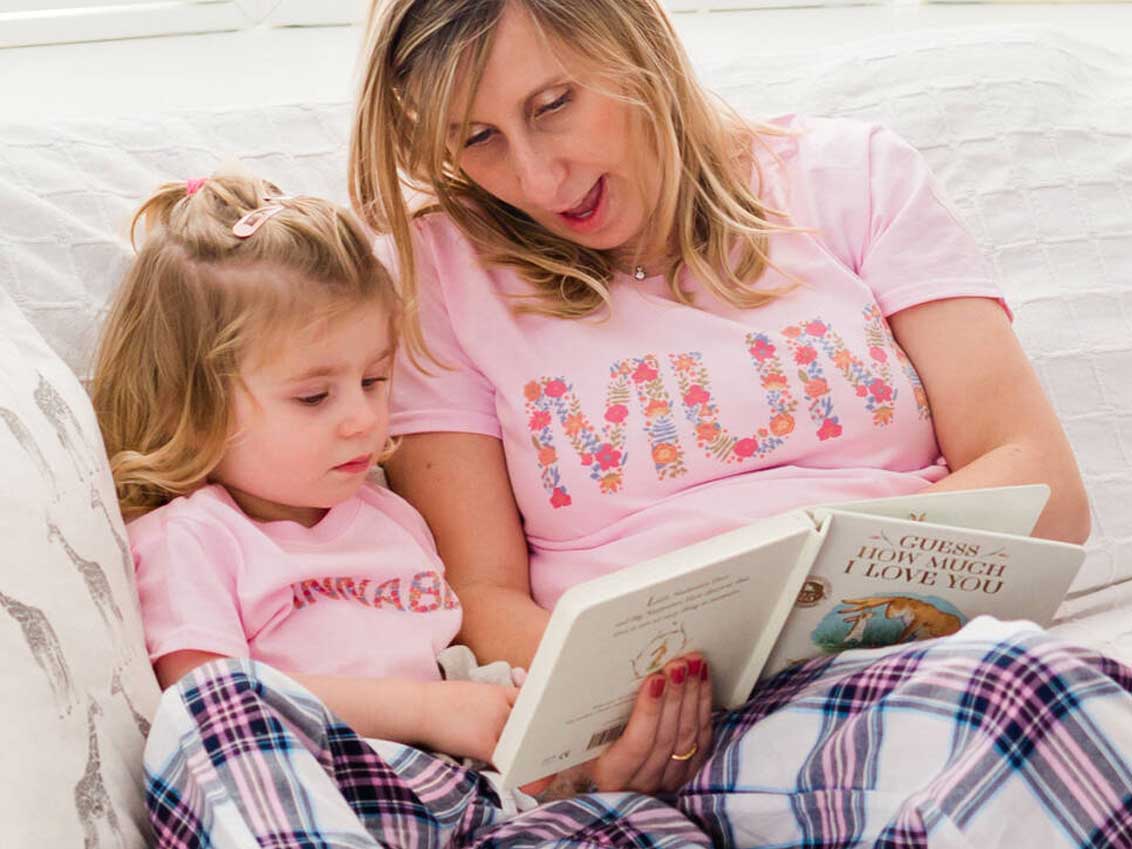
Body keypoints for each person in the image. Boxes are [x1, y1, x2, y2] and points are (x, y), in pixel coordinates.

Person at [137, 2, 1132, 848]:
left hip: (927, 652)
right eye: (477, 139)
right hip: (693, 725)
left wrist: (817, 566)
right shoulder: (437, 272)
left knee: (1042, 695)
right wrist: (605, 725)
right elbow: (479, 595)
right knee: (1039, 706)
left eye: (552, 105)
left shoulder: (852, 177)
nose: (536, 177)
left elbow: (1039, 484)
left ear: (633, 41)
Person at [92, 173, 711, 847]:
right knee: (213, 705)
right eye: (314, 397)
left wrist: (588, 769)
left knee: (643, 821)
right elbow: (201, 693)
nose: (363, 418)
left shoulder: (392, 516)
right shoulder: (193, 536)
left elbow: (464, 684)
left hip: (465, 797)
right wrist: (425, 710)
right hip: (323, 794)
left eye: (374, 380)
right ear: (193, 403)